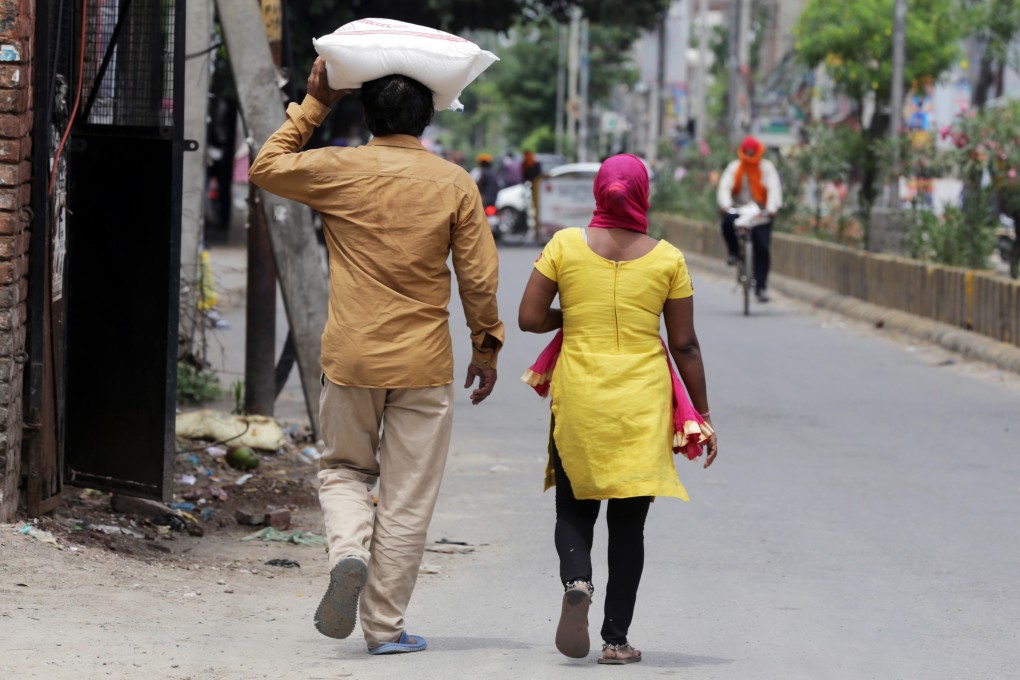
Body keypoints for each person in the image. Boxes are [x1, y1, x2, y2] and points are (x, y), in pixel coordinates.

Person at [249, 58, 504, 656]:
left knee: (343, 470)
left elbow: (265, 167)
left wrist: (314, 104)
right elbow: (479, 280)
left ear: (367, 115)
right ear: (426, 117)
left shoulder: (340, 168)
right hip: (424, 364)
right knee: (408, 495)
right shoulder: (455, 183)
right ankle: (385, 629)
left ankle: (348, 553)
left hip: (352, 357)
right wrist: (485, 347)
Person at [518, 154, 718, 665]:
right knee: (629, 526)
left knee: (573, 508)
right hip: (641, 404)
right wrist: (703, 413)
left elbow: (529, 318)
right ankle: (614, 639)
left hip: (580, 397)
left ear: (599, 192)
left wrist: (574, 312)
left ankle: (576, 580)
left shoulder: (564, 246)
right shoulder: (668, 259)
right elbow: (686, 344)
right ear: (643, 194)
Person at [716, 135, 783, 302]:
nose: (750, 155)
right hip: (739, 210)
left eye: (753, 152)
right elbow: (724, 187)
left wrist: (772, 208)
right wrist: (725, 205)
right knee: (726, 223)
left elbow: (774, 189)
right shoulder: (735, 167)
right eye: (748, 152)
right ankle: (733, 252)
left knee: (762, 247)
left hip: (760, 213)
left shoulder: (766, 168)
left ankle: (760, 288)